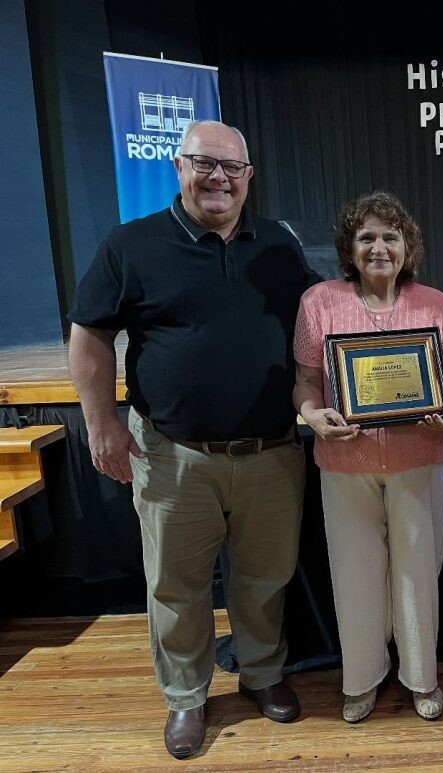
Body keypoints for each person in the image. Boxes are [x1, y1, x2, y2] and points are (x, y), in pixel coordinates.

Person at [68, 121, 319, 758]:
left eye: (232, 167)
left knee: (264, 580)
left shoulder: (280, 246)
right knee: (176, 587)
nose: (218, 178)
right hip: (174, 455)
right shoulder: (131, 245)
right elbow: (90, 334)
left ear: (249, 175)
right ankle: (186, 697)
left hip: (271, 453)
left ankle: (262, 675)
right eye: (204, 164)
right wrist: (101, 426)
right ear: (178, 168)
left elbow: (322, 325)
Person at [293, 192, 443, 723]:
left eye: (390, 237)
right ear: (349, 247)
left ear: (407, 246)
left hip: (421, 455)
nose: (379, 248)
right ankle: (361, 680)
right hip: (345, 462)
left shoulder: (433, 303)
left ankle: (421, 678)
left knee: (417, 573)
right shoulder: (318, 302)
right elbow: (304, 382)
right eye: (366, 237)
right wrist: (313, 416)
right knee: (353, 573)